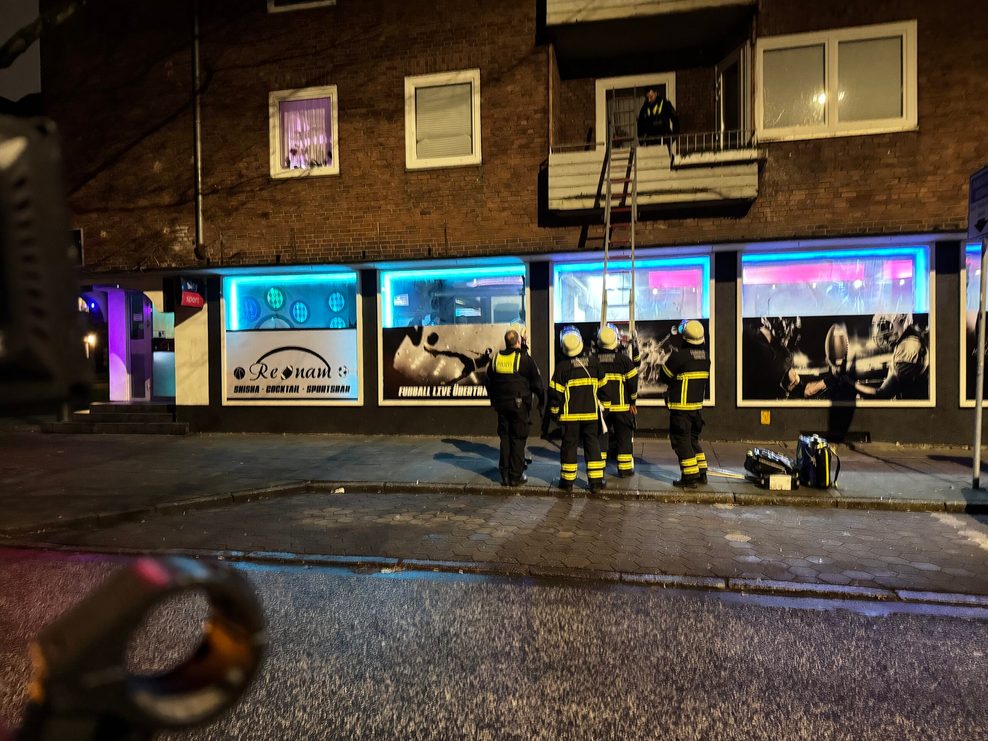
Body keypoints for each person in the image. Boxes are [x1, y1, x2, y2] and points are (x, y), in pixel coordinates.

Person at [548, 327, 607, 492]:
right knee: (592, 445)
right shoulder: (594, 363)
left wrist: (554, 413)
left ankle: (567, 482)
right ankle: (596, 482)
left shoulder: (562, 368)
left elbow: (555, 395)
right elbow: (604, 389)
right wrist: (605, 409)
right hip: (591, 415)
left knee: (569, 446)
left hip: (570, 417)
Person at [485, 327, 545, 486]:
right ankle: (516, 476)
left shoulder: (496, 358)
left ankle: (504, 475)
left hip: (501, 406)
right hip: (519, 406)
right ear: (518, 341)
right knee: (518, 439)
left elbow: (488, 381)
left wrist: (493, 400)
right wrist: (542, 402)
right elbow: (537, 383)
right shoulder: (524, 359)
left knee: (505, 438)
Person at [661, 320, 710, 488]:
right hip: (696, 410)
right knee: (693, 440)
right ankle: (702, 473)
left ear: (684, 337)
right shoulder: (706, 357)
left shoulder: (679, 356)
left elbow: (664, 376)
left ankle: (689, 478)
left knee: (681, 442)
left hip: (681, 410)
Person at [855, 313, 929, 400]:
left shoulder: (909, 346)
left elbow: (883, 394)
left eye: (885, 326)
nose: (881, 333)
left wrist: (852, 386)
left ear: (901, 320)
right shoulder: (906, 341)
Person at [596, 325, 639, 478]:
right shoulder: (624, 360)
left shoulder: (593, 361)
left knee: (601, 437)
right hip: (622, 407)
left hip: (602, 408)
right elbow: (633, 383)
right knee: (624, 437)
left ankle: (598, 469)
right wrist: (633, 402)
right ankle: (625, 470)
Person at [637, 86, 679, 164]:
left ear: (656, 93)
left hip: (664, 137)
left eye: (651, 96)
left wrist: (674, 135)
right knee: (653, 159)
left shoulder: (665, 104)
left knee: (666, 157)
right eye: (647, 97)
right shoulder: (645, 108)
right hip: (651, 139)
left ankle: (671, 163)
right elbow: (640, 124)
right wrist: (641, 139)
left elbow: (675, 118)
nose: (649, 100)